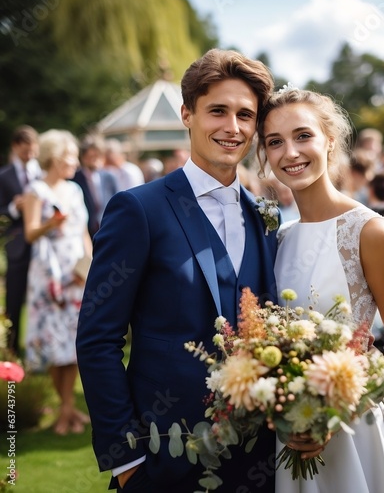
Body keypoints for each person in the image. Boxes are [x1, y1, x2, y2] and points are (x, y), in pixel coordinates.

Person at [76, 49, 281, 492]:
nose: (233, 127)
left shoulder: (266, 216)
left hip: (259, 461)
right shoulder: (139, 210)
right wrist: (126, 461)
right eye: (218, 111)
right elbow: (97, 338)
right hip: (161, 460)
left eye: (246, 115)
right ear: (188, 114)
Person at [257, 88, 384, 492]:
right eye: (274, 142)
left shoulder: (370, 231)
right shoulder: (278, 238)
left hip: (354, 431)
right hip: (290, 435)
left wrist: (339, 412)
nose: (290, 152)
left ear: (329, 141)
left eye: (303, 136)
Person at [23, 129, 92, 435]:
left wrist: (88, 265)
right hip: (48, 275)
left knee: (74, 343)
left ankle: (66, 411)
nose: (75, 163)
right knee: (54, 343)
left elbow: (84, 233)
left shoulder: (75, 191)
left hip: (75, 273)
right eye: (70, 157)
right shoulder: (36, 191)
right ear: (53, 158)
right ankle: (67, 410)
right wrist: (51, 223)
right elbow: (29, 233)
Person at [0, 125, 41, 355]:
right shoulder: (4, 176)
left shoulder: (42, 173)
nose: (30, 156)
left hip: (42, 245)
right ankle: (12, 351)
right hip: (17, 245)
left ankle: (37, 349)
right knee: (15, 299)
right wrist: (14, 208)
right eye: (26, 151)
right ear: (15, 147)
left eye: (33, 151)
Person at [72, 135, 118, 238]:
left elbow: (117, 203)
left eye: (98, 156)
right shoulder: (74, 178)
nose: (95, 160)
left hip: (106, 229)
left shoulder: (109, 177)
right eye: (91, 156)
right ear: (83, 157)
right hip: (84, 233)